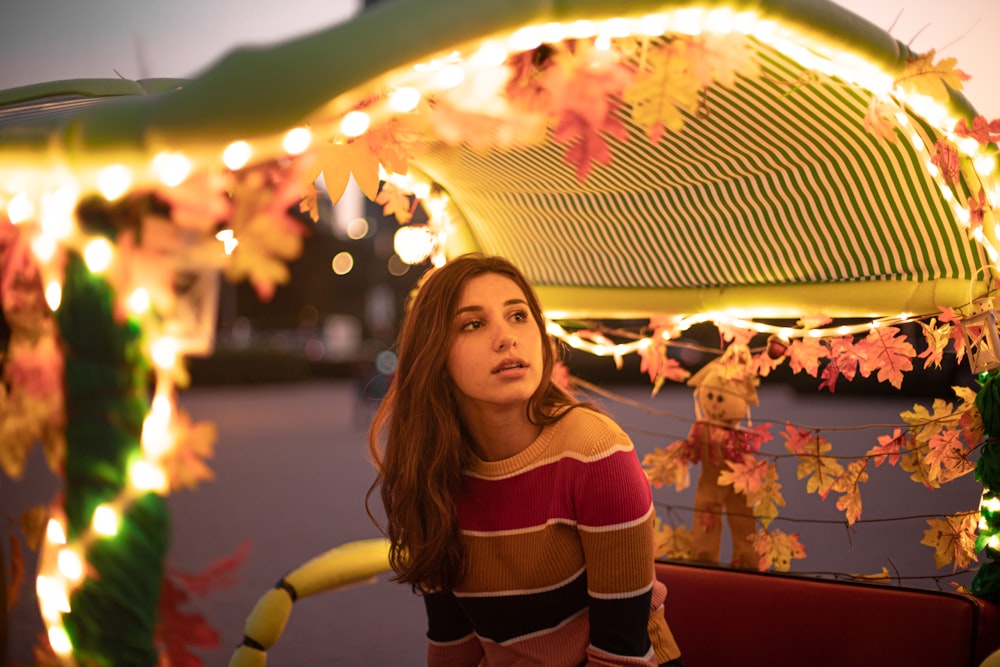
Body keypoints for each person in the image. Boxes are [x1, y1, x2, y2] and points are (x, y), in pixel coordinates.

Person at [367, 254, 684, 666]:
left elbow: (621, 653)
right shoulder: (429, 473)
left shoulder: (595, 453)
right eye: (473, 324)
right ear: (435, 357)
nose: (506, 338)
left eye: (518, 316)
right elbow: (452, 643)